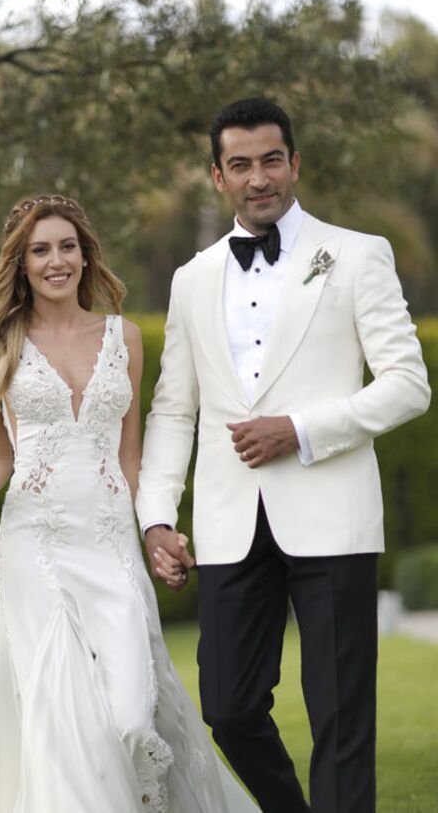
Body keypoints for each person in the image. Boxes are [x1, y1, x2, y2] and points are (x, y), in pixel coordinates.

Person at [135, 98, 431, 813]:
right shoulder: (191, 278)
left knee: (341, 716)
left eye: (271, 160)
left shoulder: (358, 254)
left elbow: (407, 384)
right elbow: (173, 409)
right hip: (230, 523)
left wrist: (299, 429)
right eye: (240, 165)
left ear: (294, 163)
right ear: (218, 177)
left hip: (333, 513)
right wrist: (156, 517)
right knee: (228, 705)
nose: (258, 177)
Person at [0, 194, 258, 812]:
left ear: (85, 254)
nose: (56, 261)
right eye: (40, 250)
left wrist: (157, 531)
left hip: (109, 539)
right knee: (62, 711)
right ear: (21, 263)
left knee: (131, 713)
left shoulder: (125, 337)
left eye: (67, 246)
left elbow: (131, 459)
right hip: (34, 546)